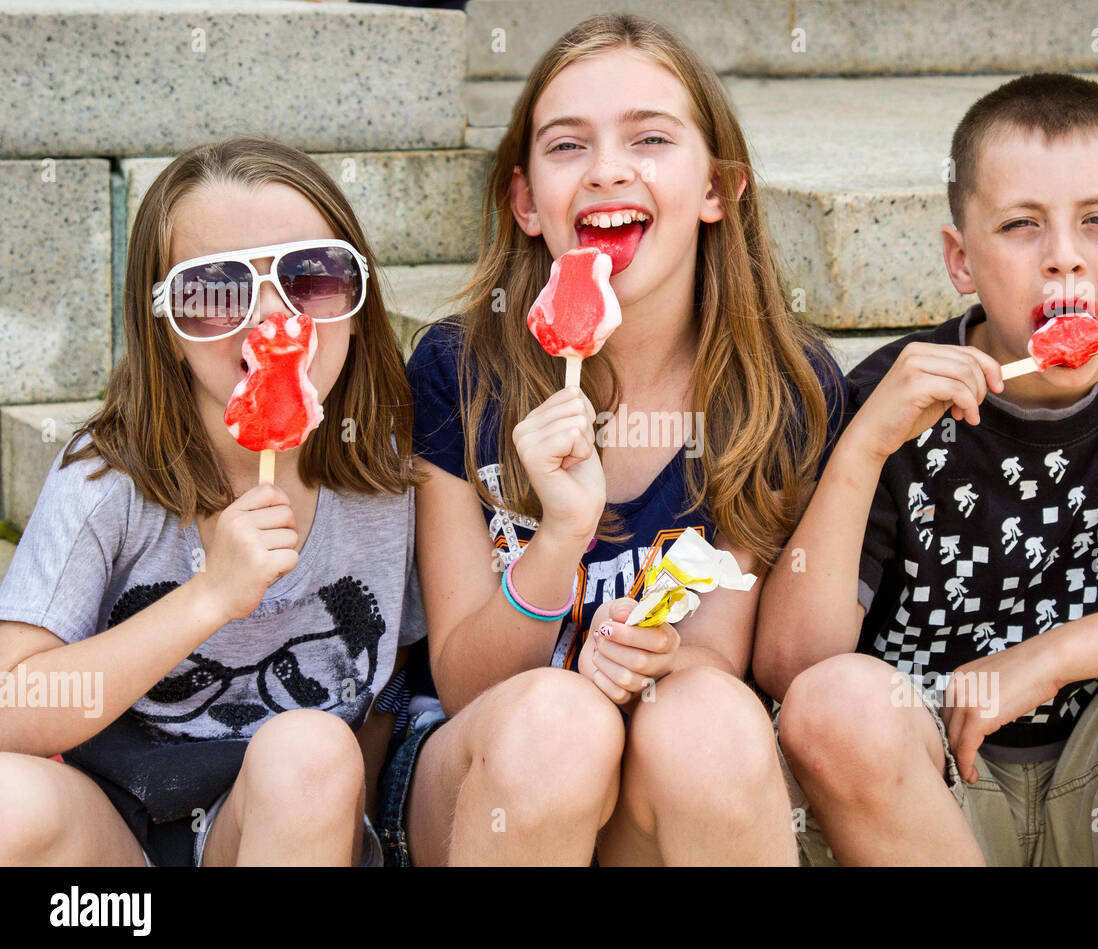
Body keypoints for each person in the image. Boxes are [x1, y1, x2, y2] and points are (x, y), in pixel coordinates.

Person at [755, 73, 1098, 866]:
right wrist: (863, 449)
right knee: (835, 704)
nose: (1065, 261)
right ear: (961, 259)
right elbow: (791, 671)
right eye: (1020, 226)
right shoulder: (888, 399)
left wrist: (1050, 657)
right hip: (933, 795)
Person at [384, 13, 845, 865]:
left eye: (651, 138)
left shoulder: (777, 384)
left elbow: (711, 654)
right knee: (560, 724)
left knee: (707, 715)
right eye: (567, 146)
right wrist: (558, 540)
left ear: (718, 189)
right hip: (484, 770)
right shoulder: (458, 369)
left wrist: (655, 654)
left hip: (656, 777)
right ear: (525, 202)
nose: (606, 171)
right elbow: (464, 681)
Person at [0, 138, 425, 866]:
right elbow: (13, 709)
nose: (270, 318)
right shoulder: (106, 481)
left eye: (312, 278)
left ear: (356, 306)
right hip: (118, 834)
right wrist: (208, 596)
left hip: (291, 823)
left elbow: (385, 690)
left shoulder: (384, 479)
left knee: (310, 752)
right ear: (163, 327)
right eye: (212, 291)